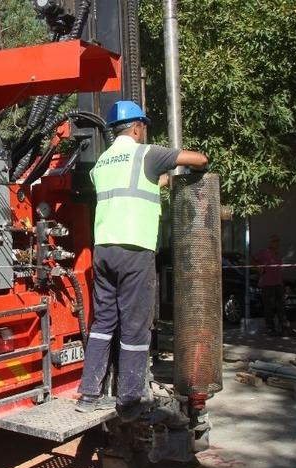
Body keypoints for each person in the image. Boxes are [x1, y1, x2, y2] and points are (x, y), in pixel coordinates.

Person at [75, 100, 208, 421]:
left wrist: (161, 180)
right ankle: (129, 400)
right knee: (135, 327)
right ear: (136, 127)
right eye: (144, 127)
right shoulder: (147, 153)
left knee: (103, 323)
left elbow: (133, 186)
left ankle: (89, 394)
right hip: (135, 249)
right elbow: (199, 159)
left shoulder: (103, 164)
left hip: (104, 250)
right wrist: (197, 169)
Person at [252, 235, 292, 336]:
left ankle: (284, 327)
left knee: (280, 306)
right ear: (270, 243)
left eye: (278, 241)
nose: (277, 243)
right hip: (267, 284)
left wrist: (284, 283)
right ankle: (270, 328)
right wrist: (259, 268)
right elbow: (253, 259)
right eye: (275, 241)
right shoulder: (264, 252)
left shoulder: (277, 254)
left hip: (278, 283)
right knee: (269, 307)